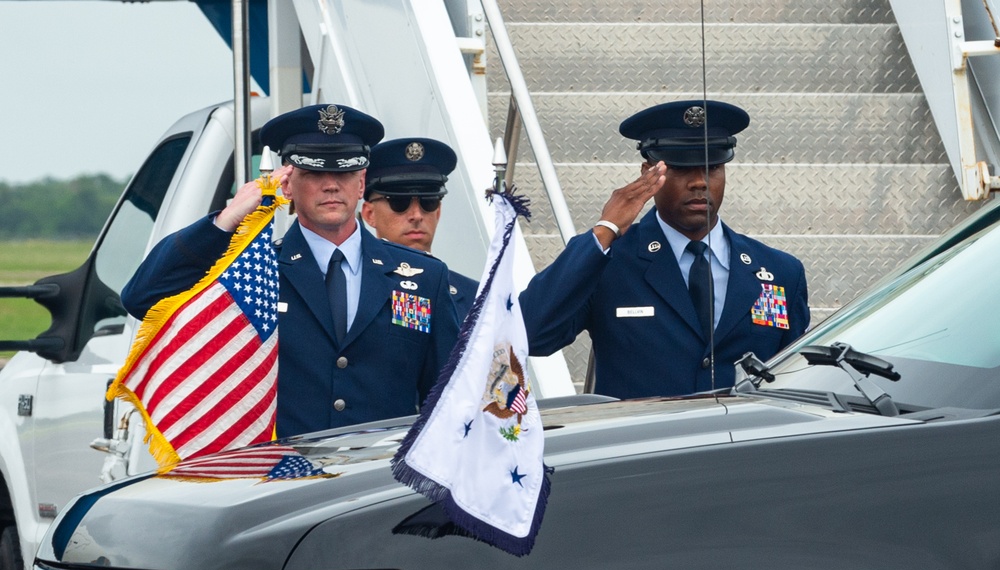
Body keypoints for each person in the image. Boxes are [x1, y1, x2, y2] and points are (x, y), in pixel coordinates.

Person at [121, 104, 460, 437]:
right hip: (284, 481)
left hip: (381, 484)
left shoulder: (422, 277)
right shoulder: (255, 272)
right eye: (314, 173)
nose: (330, 185)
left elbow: (448, 397)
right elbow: (143, 297)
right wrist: (226, 219)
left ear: (361, 183)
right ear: (286, 185)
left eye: (343, 172)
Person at [520, 99, 809, 398]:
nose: (699, 182)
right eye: (681, 168)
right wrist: (605, 229)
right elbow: (530, 334)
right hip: (647, 442)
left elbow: (796, 379)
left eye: (712, 167)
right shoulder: (608, 262)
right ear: (649, 173)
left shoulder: (779, 272)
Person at [360, 137, 479, 319]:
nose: (416, 215)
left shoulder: (475, 296)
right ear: (369, 214)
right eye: (399, 203)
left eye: (428, 202)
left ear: (438, 212)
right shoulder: (353, 289)